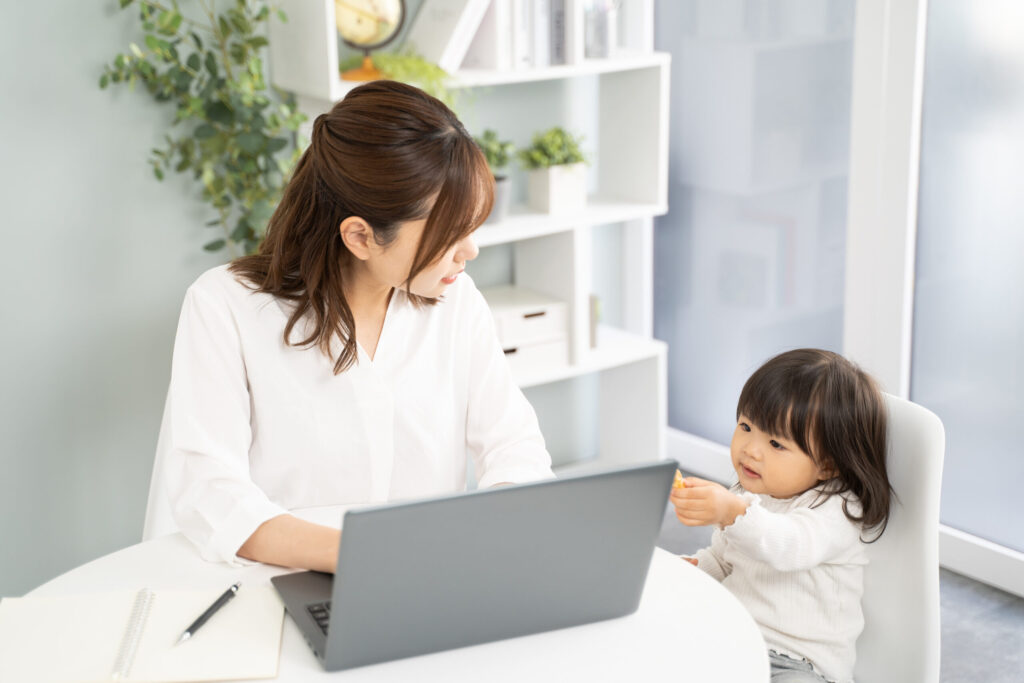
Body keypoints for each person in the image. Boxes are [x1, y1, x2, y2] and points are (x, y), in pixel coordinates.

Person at [147, 81, 554, 573]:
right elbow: (209, 489)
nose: (470, 251)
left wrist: (494, 522)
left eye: (472, 228)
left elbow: (514, 444)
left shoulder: (456, 303)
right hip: (275, 582)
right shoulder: (225, 307)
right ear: (360, 236)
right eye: (449, 235)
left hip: (427, 577)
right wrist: (367, 558)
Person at [670, 349, 892, 683]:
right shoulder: (751, 493)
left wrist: (732, 511)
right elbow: (726, 559)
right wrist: (697, 569)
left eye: (775, 444)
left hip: (799, 663)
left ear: (827, 464)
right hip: (734, 639)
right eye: (745, 426)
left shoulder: (838, 511)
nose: (750, 449)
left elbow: (787, 545)